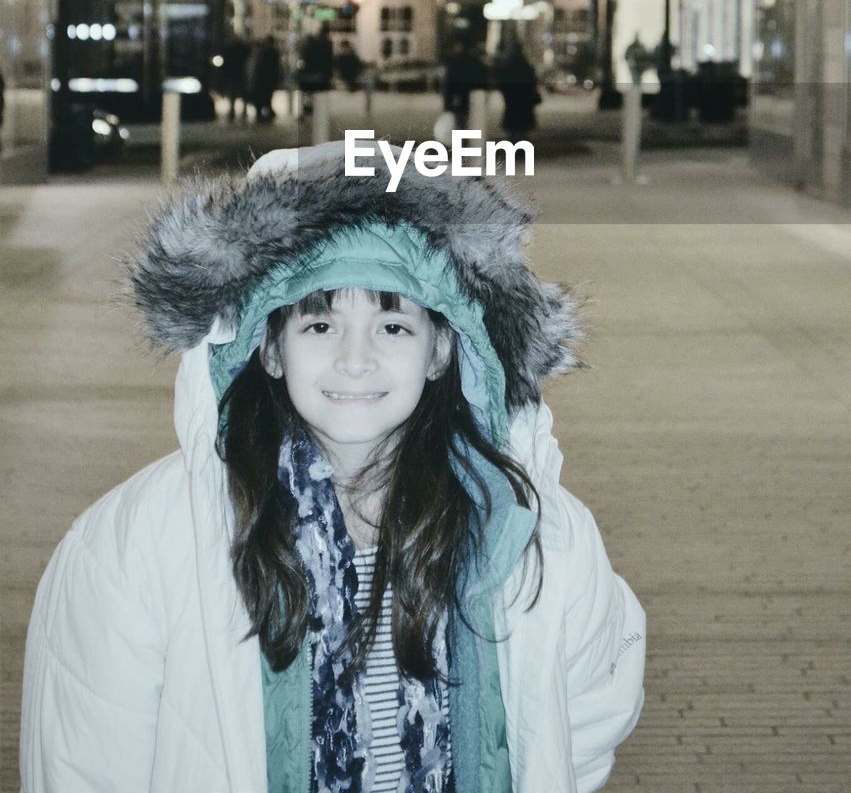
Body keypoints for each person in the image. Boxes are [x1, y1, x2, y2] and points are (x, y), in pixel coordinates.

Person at [20, 142, 646, 793]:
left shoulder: (525, 528)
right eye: (319, 325)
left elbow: (598, 691)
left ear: (440, 351)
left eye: (392, 327)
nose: (355, 358)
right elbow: (83, 763)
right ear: (268, 346)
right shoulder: (138, 543)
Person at [496, 42, 542, 140]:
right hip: (524, 101)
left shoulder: (508, 66)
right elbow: (533, 82)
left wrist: (506, 95)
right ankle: (522, 148)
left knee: (512, 129)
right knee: (523, 129)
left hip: (512, 100)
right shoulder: (526, 66)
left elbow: (502, 83)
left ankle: (513, 145)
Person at [441, 38, 486, 125]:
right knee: (473, 123)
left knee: (460, 122)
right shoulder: (475, 62)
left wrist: (447, 103)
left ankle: (462, 137)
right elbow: (482, 79)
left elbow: (448, 84)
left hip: (459, 98)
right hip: (473, 97)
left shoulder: (453, 62)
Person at [298, 22, 335, 114]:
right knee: (319, 94)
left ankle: (307, 108)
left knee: (309, 92)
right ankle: (318, 112)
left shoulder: (313, 43)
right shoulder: (327, 43)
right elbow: (328, 60)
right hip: (321, 74)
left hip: (309, 73)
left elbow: (305, 58)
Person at [250, 34, 282, 123]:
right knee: (267, 96)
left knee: (262, 96)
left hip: (263, 78)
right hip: (269, 78)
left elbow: (259, 66)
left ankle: (262, 113)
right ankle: (267, 112)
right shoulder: (273, 52)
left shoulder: (263, 52)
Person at [220, 32, 250, 122]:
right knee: (241, 93)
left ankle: (233, 111)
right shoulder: (242, 49)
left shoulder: (229, 49)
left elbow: (226, 62)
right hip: (239, 73)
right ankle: (243, 111)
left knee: (233, 94)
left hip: (233, 74)